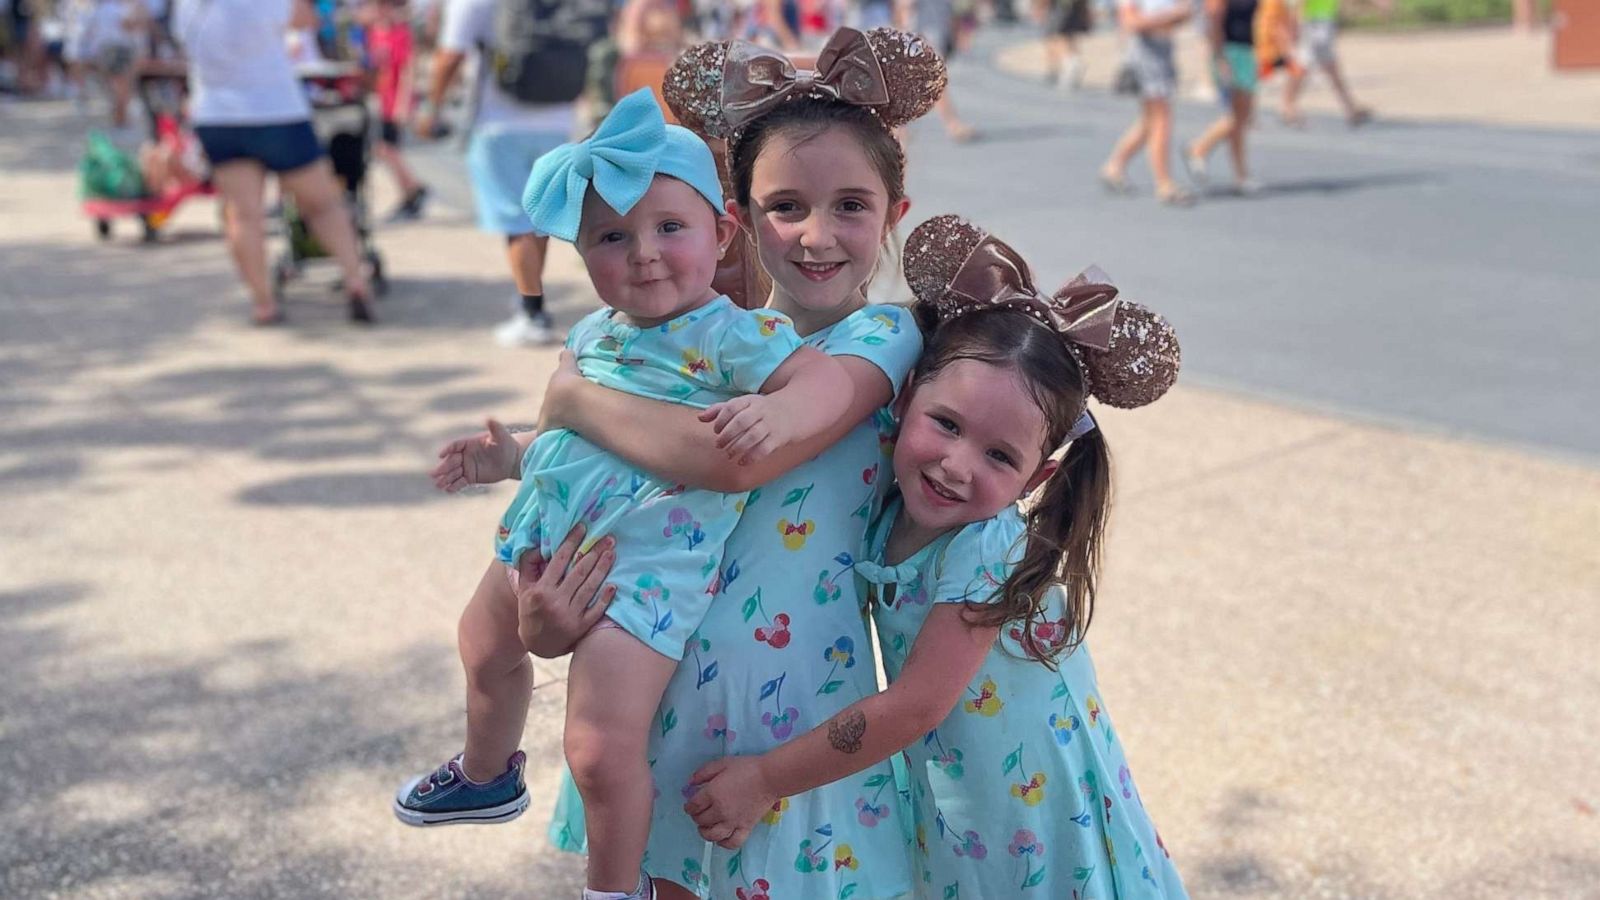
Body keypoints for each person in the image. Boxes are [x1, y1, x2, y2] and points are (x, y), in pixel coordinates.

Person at [453, 27, 948, 900]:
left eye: (850, 207)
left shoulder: (880, 338)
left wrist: (570, 399)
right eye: (786, 206)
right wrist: (545, 625)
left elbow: (729, 465)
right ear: (741, 220)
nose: (815, 235)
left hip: (786, 706)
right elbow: (613, 489)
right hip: (661, 669)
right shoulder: (704, 339)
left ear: (893, 214)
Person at [395, 88, 860, 900]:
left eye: (668, 229)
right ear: (581, 255)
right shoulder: (594, 337)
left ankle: (614, 888)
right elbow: (589, 438)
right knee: (479, 644)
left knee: (600, 750)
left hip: (641, 576)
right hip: (543, 532)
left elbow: (819, 376)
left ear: (720, 236)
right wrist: (510, 457)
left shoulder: (730, 334)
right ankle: (486, 772)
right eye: (612, 236)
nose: (643, 252)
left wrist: (781, 410)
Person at [680, 215, 1189, 898]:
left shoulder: (989, 547)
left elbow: (916, 704)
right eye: (946, 424)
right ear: (907, 394)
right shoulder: (885, 505)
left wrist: (765, 779)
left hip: (1032, 813)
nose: (956, 464)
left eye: (1000, 456)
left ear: (1036, 480)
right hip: (964, 807)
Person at [172, 0, 375, 325]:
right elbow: (305, 18)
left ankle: (263, 302)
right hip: (276, 109)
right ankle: (355, 281)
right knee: (323, 205)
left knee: (243, 215)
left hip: (217, 115)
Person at [414, 0, 577, 345]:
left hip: (499, 123)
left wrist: (431, 110)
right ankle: (530, 294)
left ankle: (532, 313)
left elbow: (450, 56)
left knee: (516, 223)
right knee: (537, 220)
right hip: (558, 118)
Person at [1099, 0, 1192, 205]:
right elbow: (1131, 22)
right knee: (1162, 119)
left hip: (1163, 49)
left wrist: (1175, 16)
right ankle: (1164, 183)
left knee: (1150, 121)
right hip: (1145, 53)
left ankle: (1115, 165)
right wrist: (1169, 17)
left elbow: (1184, 14)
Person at [1184, 0, 1262, 195]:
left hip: (1246, 50)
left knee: (1240, 117)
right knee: (1240, 116)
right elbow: (1214, 20)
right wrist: (1220, 58)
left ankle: (1240, 175)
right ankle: (1199, 147)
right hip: (1231, 51)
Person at [361, 0, 428, 220]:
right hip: (377, 100)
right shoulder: (371, 33)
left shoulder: (400, 34)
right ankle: (411, 190)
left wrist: (403, 104)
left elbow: (408, 71)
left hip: (393, 100)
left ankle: (414, 189)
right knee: (383, 148)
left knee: (387, 148)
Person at [1280, 0, 1370, 128]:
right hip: (1312, 21)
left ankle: (1351, 108)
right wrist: (1294, 24)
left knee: (1327, 65)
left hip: (1323, 19)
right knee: (1305, 64)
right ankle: (1288, 105)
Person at [1037, 0, 1091, 90]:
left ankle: (1071, 62)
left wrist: (1040, 6)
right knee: (1067, 35)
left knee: (1057, 35)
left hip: (1062, 6)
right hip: (1071, 6)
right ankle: (1072, 62)